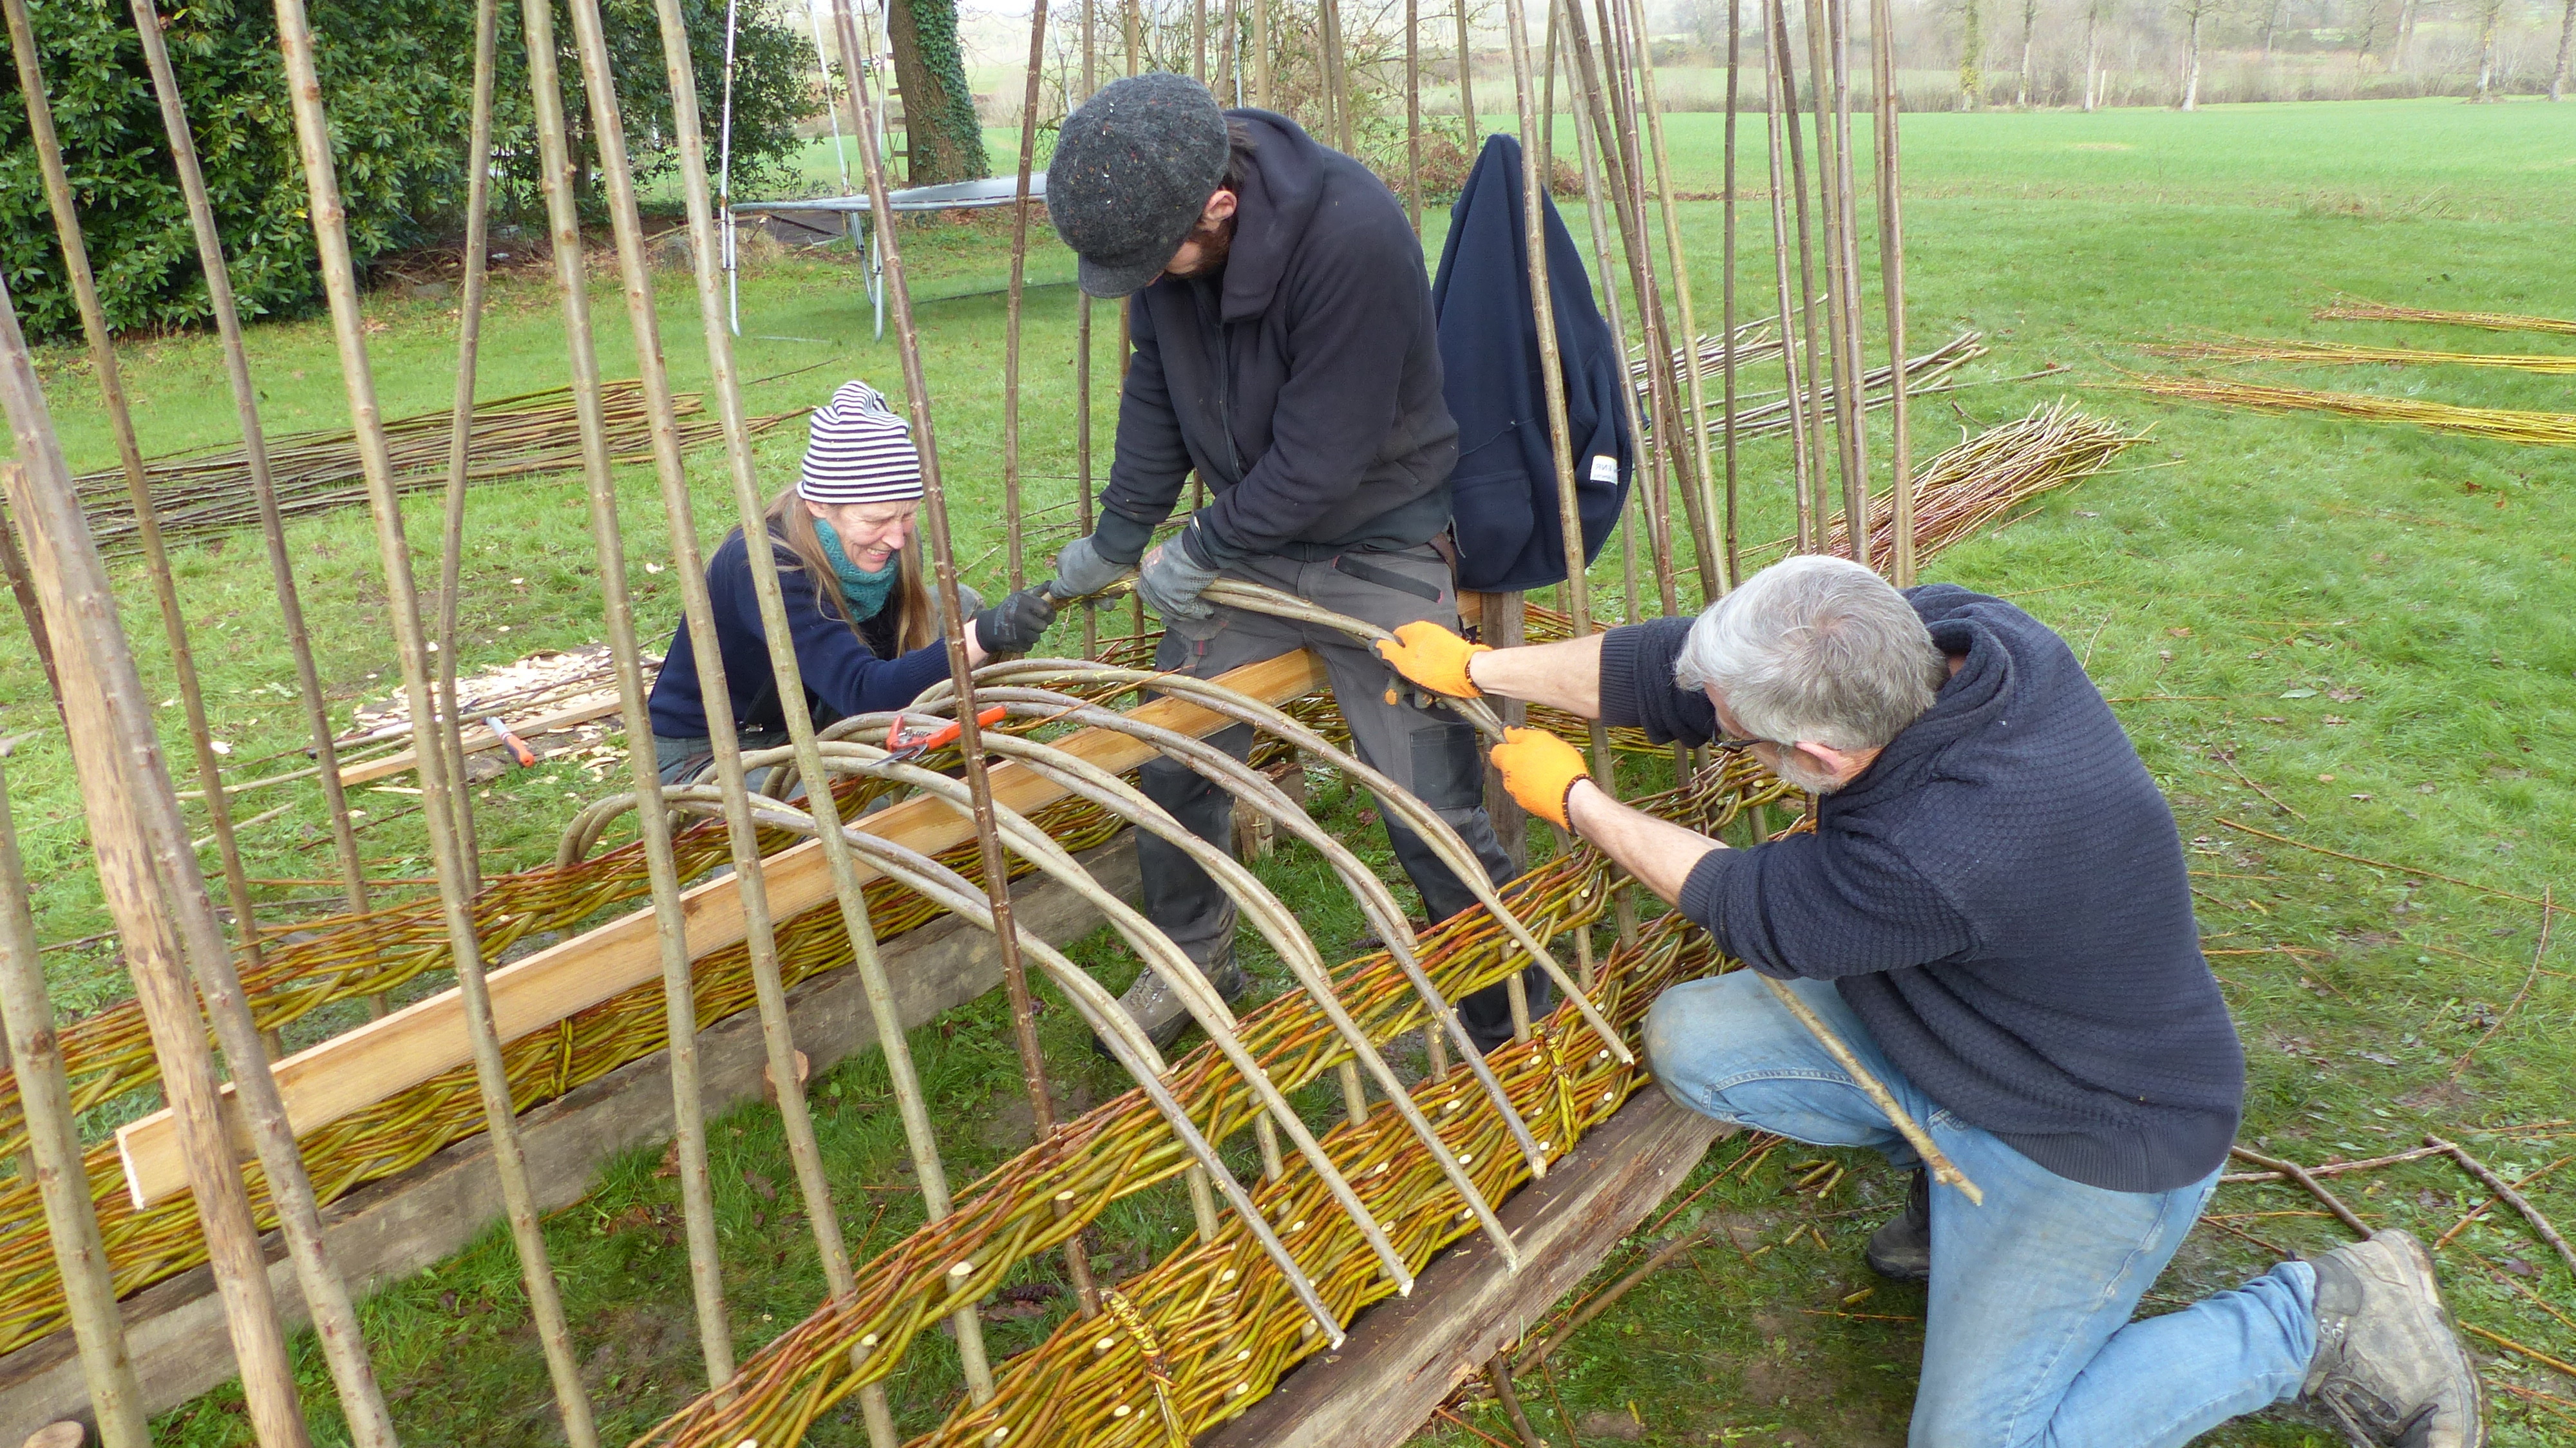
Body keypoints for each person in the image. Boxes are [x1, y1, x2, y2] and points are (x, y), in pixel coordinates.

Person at [1372, 553, 2486, 1448]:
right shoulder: (1945, 637)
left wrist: (1574, 799)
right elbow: (1681, 673)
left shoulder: (1949, 845)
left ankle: (2319, 1319)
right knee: (1698, 1040)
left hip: (2095, 1133)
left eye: (1747, 737)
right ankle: (1936, 1177)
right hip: (1981, 1036)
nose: (1720, 728)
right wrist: (1482, 672)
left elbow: (1754, 903)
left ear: (1816, 752)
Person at [1037, 71, 1538, 1052]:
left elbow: (1324, 457)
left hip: (1378, 534)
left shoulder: (1353, 238)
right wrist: (1120, 535)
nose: (1143, 284)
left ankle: (1506, 1010)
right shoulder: (1166, 244)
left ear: (1219, 206)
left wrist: (1204, 546)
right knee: (1173, 751)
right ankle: (1193, 956)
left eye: (1155, 262)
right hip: (1257, 544)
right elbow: (1157, 402)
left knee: (1425, 803)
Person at [647, 380, 1056, 785]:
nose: (897, 538)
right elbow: (863, 692)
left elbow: (879, 663)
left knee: (958, 606)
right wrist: (983, 635)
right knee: (872, 801)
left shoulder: (885, 537)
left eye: (908, 515)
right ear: (820, 504)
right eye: (876, 520)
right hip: (718, 749)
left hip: (810, 712)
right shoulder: (760, 565)